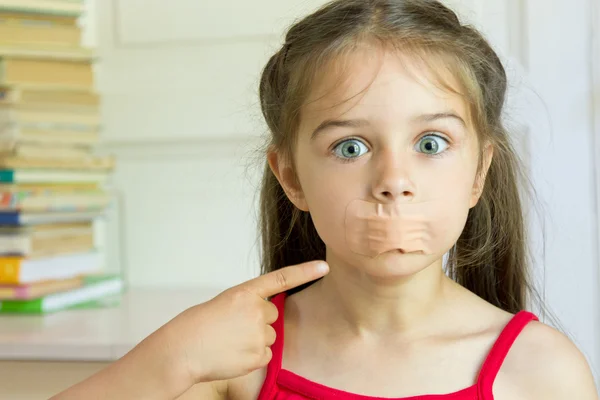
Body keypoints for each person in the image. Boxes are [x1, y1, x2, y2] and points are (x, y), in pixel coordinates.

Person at [53, 0, 599, 399]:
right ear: (291, 177)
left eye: (431, 143)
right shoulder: (237, 358)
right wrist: (169, 361)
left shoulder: (541, 372)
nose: (393, 181)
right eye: (351, 146)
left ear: (478, 171)